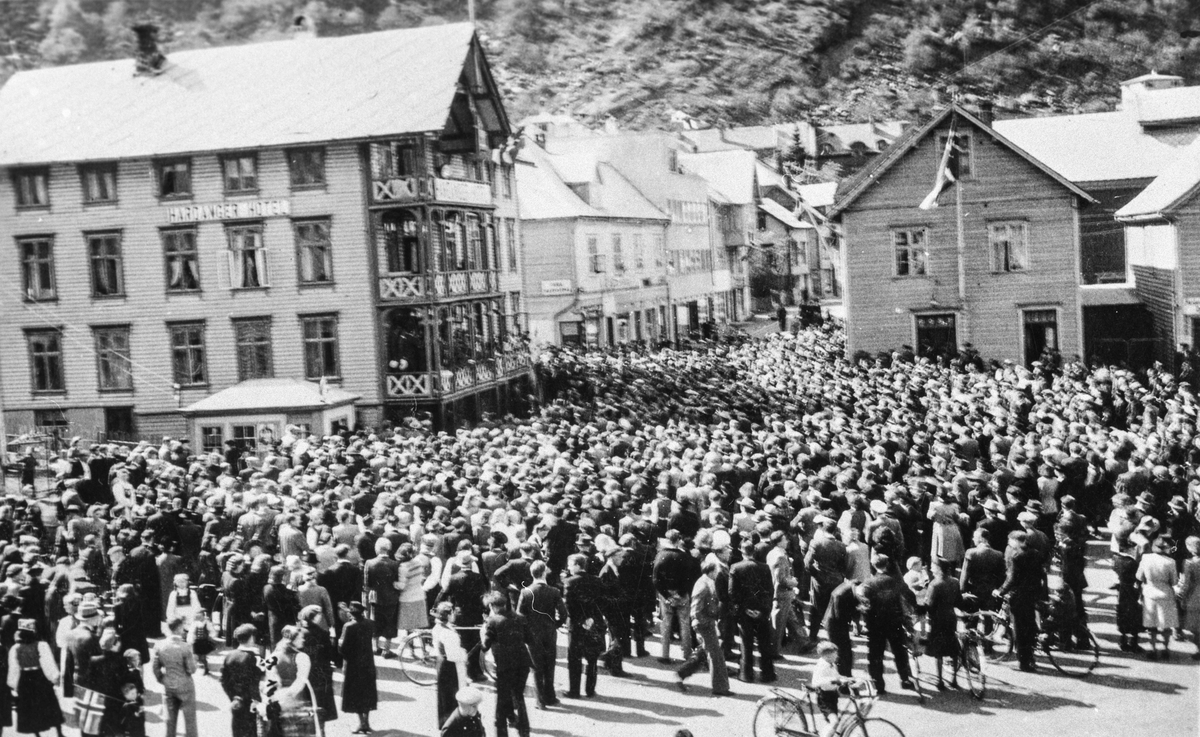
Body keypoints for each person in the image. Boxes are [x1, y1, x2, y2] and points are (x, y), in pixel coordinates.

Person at [856, 553, 914, 694]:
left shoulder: (869, 583)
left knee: (876, 654)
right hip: (894, 621)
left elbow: (863, 604)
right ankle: (905, 679)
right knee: (900, 651)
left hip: (876, 624)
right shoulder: (895, 581)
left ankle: (879, 685)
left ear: (874, 565)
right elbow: (909, 595)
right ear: (887, 565)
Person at [675, 558, 731, 696]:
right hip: (704, 625)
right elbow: (695, 608)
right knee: (715, 655)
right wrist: (701, 624)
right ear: (711, 570)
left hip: (708, 623)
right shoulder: (703, 584)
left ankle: (681, 674)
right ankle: (720, 688)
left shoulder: (707, 581)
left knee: (702, 654)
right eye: (717, 571)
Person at [481, 591, 532, 737]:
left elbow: (485, 646)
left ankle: (501, 733)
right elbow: (529, 639)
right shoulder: (520, 617)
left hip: (505, 666)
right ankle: (524, 731)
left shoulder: (492, 621)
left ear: (492, 606)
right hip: (523, 664)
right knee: (519, 696)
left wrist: (485, 630)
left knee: (502, 700)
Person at [516, 560, 565, 709]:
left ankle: (540, 700)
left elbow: (520, 614)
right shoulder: (554, 591)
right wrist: (555, 625)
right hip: (549, 632)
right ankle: (550, 696)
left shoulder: (525, 592)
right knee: (549, 665)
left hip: (532, 634)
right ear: (544, 573)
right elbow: (563, 613)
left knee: (536, 667)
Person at [994, 531, 1045, 672]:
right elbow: (1042, 574)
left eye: (1010, 541)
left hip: (1019, 597)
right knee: (1030, 627)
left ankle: (1024, 663)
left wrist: (1000, 590)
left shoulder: (1016, 557)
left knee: (1019, 631)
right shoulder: (1035, 553)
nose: (1009, 543)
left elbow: (1011, 579)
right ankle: (1030, 658)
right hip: (1032, 594)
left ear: (1016, 541)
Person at [7, 618, 65, 737]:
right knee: (49, 704)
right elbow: (48, 663)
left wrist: (14, 684)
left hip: (25, 679)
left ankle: (37, 733)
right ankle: (59, 732)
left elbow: (14, 668)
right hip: (39, 677)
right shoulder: (41, 645)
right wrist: (54, 677)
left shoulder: (15, 648)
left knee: (30, 707)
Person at [730, 541, 775, 684]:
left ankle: (745, 674)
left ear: (741, 551)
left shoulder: (736, 568)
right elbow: (769, 591)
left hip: (745, 611)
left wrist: (744, 609)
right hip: (761, 610)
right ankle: (767, 674)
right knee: (764, 643)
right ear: (754, 551)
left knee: (746, 642)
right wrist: (763, 610)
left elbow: (732, 593)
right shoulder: (765, 568)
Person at [562, 553, 605, 698]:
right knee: (592, 658)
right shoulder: (596, 581)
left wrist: (581, 620)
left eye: (570, 564)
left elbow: (569, 606)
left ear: (577, 565)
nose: (568, 567)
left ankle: (574, 690)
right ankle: (590, 689)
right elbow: (600, 602)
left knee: (574, 658)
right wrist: (591, 618)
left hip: (576, 625)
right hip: (593, 623)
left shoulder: (570, 582)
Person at [264, 625, 318, 737]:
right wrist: (288, 696)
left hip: (278, 701)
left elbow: (271, 681)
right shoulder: (302, 657)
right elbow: (300, 681)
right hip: (298, 700)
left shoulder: (272, 657)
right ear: (292, 640)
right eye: (300, 637)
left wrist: (278, 696)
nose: (303, 640)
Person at [152, 614, 198, 737]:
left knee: (170, 721)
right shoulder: (185, 647)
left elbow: (155, 667)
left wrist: (162, 679)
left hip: (168, 685)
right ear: (178, 628)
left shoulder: (159, 645)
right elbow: (191, 669)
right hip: (185, 685)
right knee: (190, 721)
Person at [651, 529, 694, 664]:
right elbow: (689, 578)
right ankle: (687, 654)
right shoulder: (685, 556)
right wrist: (680, 593)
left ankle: (665, 654)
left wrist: (667, 595)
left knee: (666, 624)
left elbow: (656, 579)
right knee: (685, 624)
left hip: (666, 595)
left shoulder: (661, 555)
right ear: (678, 540)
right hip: (682, 594)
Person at [338, 602, 378, 734]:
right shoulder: (370, 624)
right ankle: (366, 722)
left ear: (351, 613)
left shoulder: (348, 626)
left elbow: (342, 647)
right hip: (367, 662)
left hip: (353, 664)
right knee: (367, 691)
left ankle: (361, 723)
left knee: (355, 693)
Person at [1137, 535, 1180, 660]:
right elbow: (1174, 581)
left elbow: (1139, 576)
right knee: (1166, 624)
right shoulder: (1170, 562)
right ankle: (1166, 649)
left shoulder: (1146, 558)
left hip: (1150, 592)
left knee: (1152, 625)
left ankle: (1153, 649)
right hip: (1166, 594)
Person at [220, 624, 263, 737]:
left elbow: (224, 680)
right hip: (249, 700)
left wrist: (233, 696)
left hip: (235, 699)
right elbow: (254, 680)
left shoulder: (229, 655)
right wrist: (256, 698)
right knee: (251, 730)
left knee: (237, 728)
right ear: (251, 638)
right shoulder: (252, 657)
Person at [924, 559, 960, 690]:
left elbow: (929, 605)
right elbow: (958, 601)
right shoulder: (955, 582)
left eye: (933, 566)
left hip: (937, 619)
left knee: (938, 650)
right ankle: (954, 679)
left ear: (939, 568)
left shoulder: (934, 584)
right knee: (953, 648)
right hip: (951, 617)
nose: (931, 569)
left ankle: (940, 680)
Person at [298, 605, 338, 727]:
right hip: (321, 674)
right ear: (314, 617)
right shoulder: (323, 634)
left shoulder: (299, 632)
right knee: (320, 703)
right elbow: (330, 654)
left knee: (305, 703)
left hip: (303, 673)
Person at [432, 602, 468, 728]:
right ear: (448, 615)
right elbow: (454, 655)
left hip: (442, 663)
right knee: (451, 697)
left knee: (444, 696)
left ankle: (445, 724)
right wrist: (464, 654)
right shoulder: (448, 633)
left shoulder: (438, 627)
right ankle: (451, 726)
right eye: (452, 612)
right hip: (450, 666)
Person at [1175, 536, 1200, 661]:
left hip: (1195, 596)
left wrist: (1182, 597)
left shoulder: (1189, 563)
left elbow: (1187, 584)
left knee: (1195, 627)